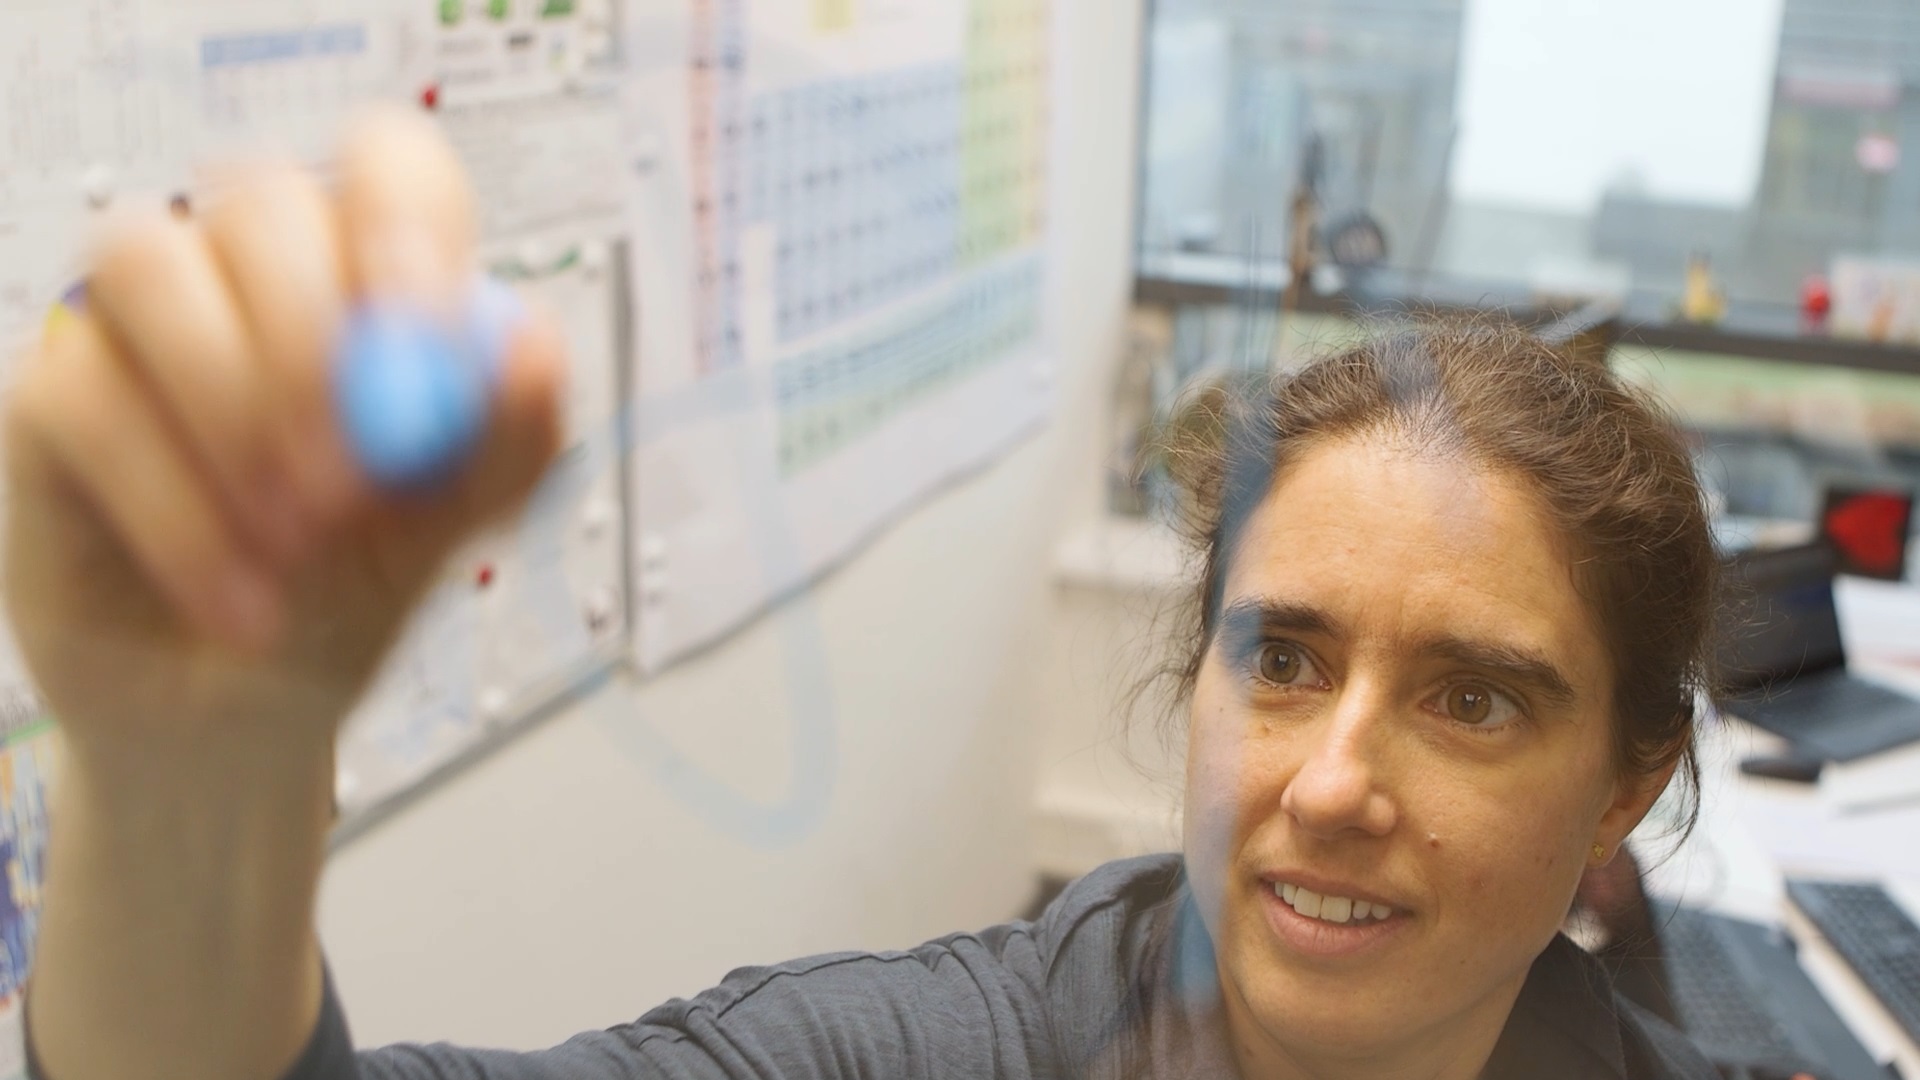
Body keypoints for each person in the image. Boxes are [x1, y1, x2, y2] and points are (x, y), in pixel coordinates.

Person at [9, 113, 1722, 1080]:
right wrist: (183, 798)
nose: (1333, 784)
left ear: (1628, 781)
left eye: (1472, 697)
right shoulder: (941, 1054)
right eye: (1281, 656)